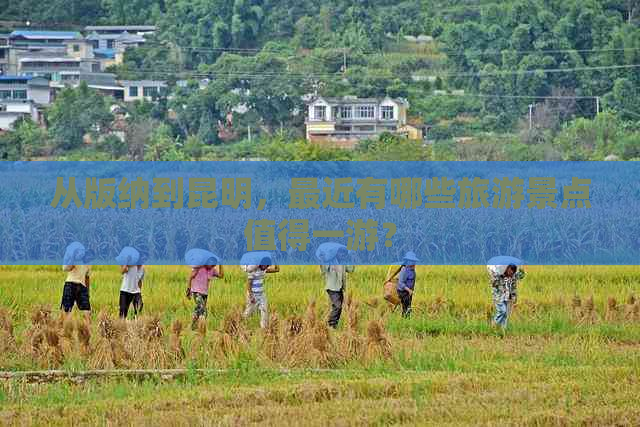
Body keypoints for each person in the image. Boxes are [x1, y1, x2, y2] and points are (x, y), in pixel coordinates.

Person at [320, 246, 354, 329]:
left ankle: (333, 325)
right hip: (332, 287)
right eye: (341, 254)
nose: (343, 256)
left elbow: (351, 269)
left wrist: (352, 259)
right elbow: (323, 270)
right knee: (337, 306)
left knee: (338, 307)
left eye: (344, 254)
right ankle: (330, 325)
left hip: (340, 288)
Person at [242, 258, 279, 329]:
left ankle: (263, 328)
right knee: (249, 311)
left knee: (264, 310)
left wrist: (275, 260)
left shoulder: (264, 270)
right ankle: (240, 323)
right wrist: (251, 296)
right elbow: (248, 285)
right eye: (265, 265)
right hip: (253, 294)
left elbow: (277, 269)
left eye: (267, 266)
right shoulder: (252, 270)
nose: (266, 267)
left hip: (261, 294)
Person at [187, 262, 224, 330]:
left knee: (198, 310)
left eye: (214, 265)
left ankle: (192, 327)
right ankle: (202, 328)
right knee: (203, 310)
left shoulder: (212, 270)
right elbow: (190, 277)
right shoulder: (198, 267)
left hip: (204, 293)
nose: (212, 266)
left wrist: (221, 264)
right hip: (196, 292)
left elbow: (221, 275)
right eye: (211, 264)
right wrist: (188, 290)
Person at [489, 263, 525, 330]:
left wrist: (521, 269)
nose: (511, 273)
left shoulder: (513, 277)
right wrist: (496, 276)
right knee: (502, 311)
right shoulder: (499, 276)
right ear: (507, 269)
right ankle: (493, 325)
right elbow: (493, 283)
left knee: (505, 315)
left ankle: (503, 330)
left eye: (513, 272)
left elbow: (521, 276)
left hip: (507, 297)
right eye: (510, 271)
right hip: (498, 298)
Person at [395, 252, 419, 318]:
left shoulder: (412, 270)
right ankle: (404, 321)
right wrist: (408, 290)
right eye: (411, 261)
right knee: (406, 308)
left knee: (408, 307)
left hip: (409, 292)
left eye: (414, 261)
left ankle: (407, 320)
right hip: (403, 292)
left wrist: (411, 290)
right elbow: (400, 283)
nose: (413, 262)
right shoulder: (404, 270)